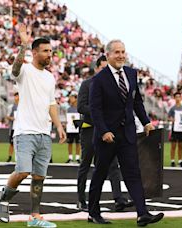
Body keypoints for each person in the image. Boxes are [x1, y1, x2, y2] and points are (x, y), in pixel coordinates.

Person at [0, 24, 66, 228]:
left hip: (44, 133)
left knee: (39, 177)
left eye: (51, 51)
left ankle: (34, 217)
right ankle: (2, 200)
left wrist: (58, 125)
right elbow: (14, 69)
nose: (50, 54)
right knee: (23, 172)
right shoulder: (24, 70)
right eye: (45, 51)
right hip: (25, 131)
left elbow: (52, 103)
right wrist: (23, 44)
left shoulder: (50, 77)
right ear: (34, 53)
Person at [88, 39, 164, 226]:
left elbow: (136, 101)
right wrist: (104, 131)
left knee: (133, 173)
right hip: (107, 137)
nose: (121, 55)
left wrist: (146, 122)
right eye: (117, 52)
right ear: (108, 55)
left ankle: (142, 213)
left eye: (123, 52)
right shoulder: (98, 79)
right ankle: (93, 213)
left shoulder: (131, 74)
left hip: (128, 133)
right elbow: (95, 109)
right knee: (100, 173)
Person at [76, 55, 132, 212]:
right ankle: (81, 200)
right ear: (96, 69)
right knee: (86, 164)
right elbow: (81, 107)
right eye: (102, 68)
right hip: (90, 128)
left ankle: (118, 199)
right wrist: (99, 112)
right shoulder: (87, 84)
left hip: (107, 129)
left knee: (113, 165)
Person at [168, 92, 182, 167]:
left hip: (181, 129)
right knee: (173, 145)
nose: (177, 98)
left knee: (180, 145)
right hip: (174, 128)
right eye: (176, 97)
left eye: (179, 97)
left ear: (181, 98)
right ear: (174, 98)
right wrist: (171, 119)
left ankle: (180, 161)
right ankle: (172, 161)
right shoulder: (172, 108)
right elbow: (169, 117)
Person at [65, 93, 81, 163]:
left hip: (77, 128)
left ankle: (77, 158)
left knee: (78, 143)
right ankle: (70, 158)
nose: (70, 99)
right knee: (70, 143)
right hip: (70, 128)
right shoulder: (69, 109)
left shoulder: (79, 108)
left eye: (71, 98)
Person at [6, 92, 19, 162]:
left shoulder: (24, 106)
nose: (17, 98)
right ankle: (10, 157)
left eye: (18, 96)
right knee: (11, 144)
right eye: (16, 96)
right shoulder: (11, 107)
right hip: (13, 128)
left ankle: (19, 158)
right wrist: (12, 118)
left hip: (21, 128)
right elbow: (7, 116)